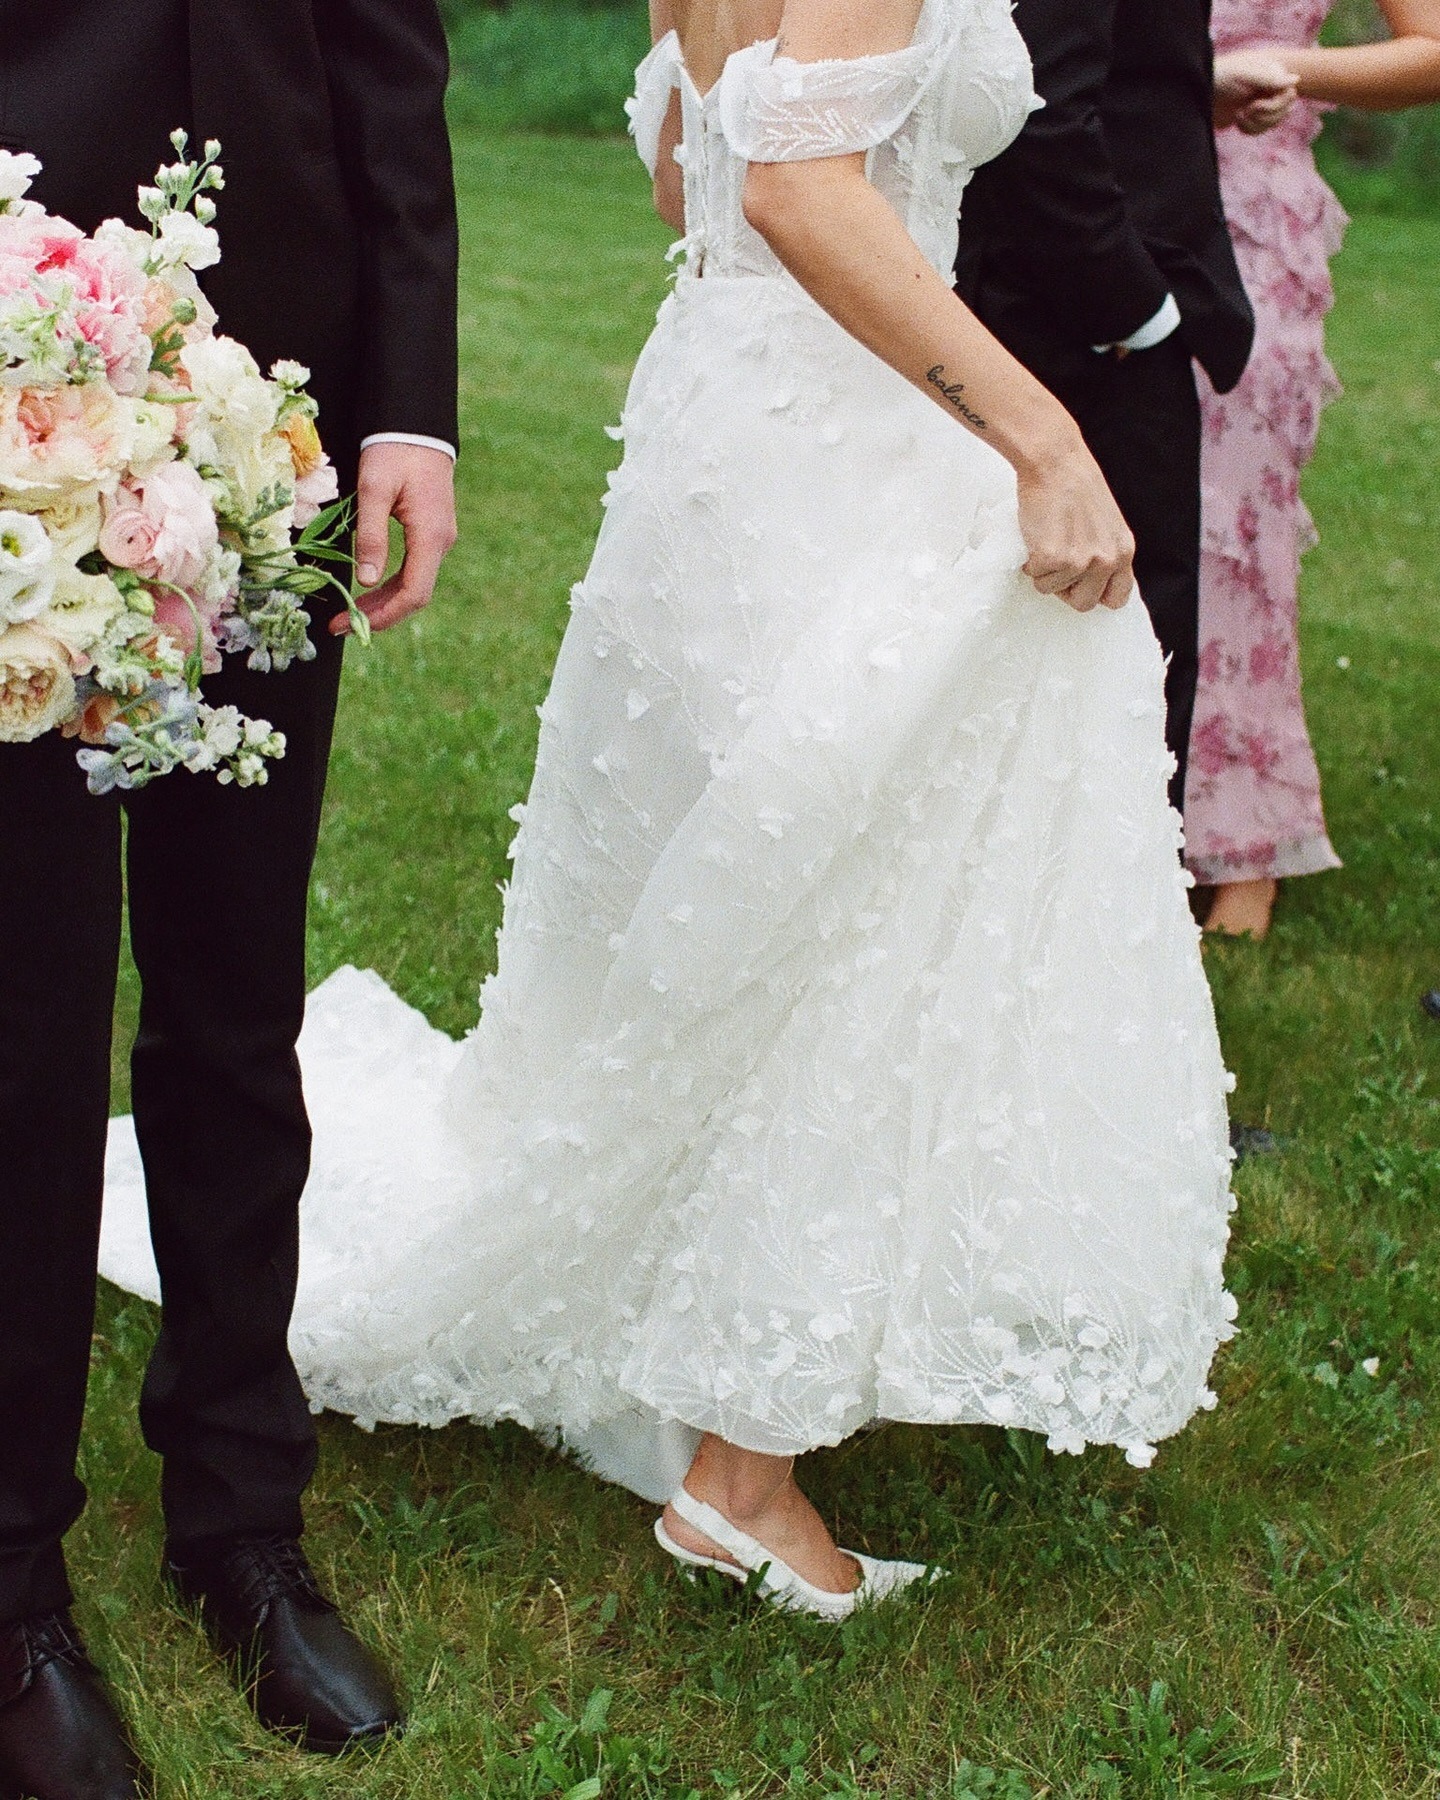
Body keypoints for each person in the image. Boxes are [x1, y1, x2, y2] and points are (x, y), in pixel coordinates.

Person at [104, 0, 1238, 1624]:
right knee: (858, 925)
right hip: (838, 447)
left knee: (746, 910)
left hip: (720, 413)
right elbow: (797, 187)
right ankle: (741, 1475)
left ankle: (702, 1340)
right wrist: (1042, 434)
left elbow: (682, 174)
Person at [0, 4, 459, 1795]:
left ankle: (240, 1519)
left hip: (270, 409)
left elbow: (388, 58)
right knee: (25, 1022)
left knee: (230, 992)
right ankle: (14, 1583)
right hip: (27, 371)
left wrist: (405, 393)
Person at [953, 0, 1279, 817]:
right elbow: (1040, 110)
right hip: (1080, 329)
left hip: (1050, 311)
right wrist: (1134, 311)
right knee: (1125, 650)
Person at [1188, 0, 1440, 940]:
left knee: (1238, 523)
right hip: (1087, 195)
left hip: (1249, 222)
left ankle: (1246, 844)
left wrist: (1288, 67)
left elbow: (1432, 51)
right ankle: (1112, 810)